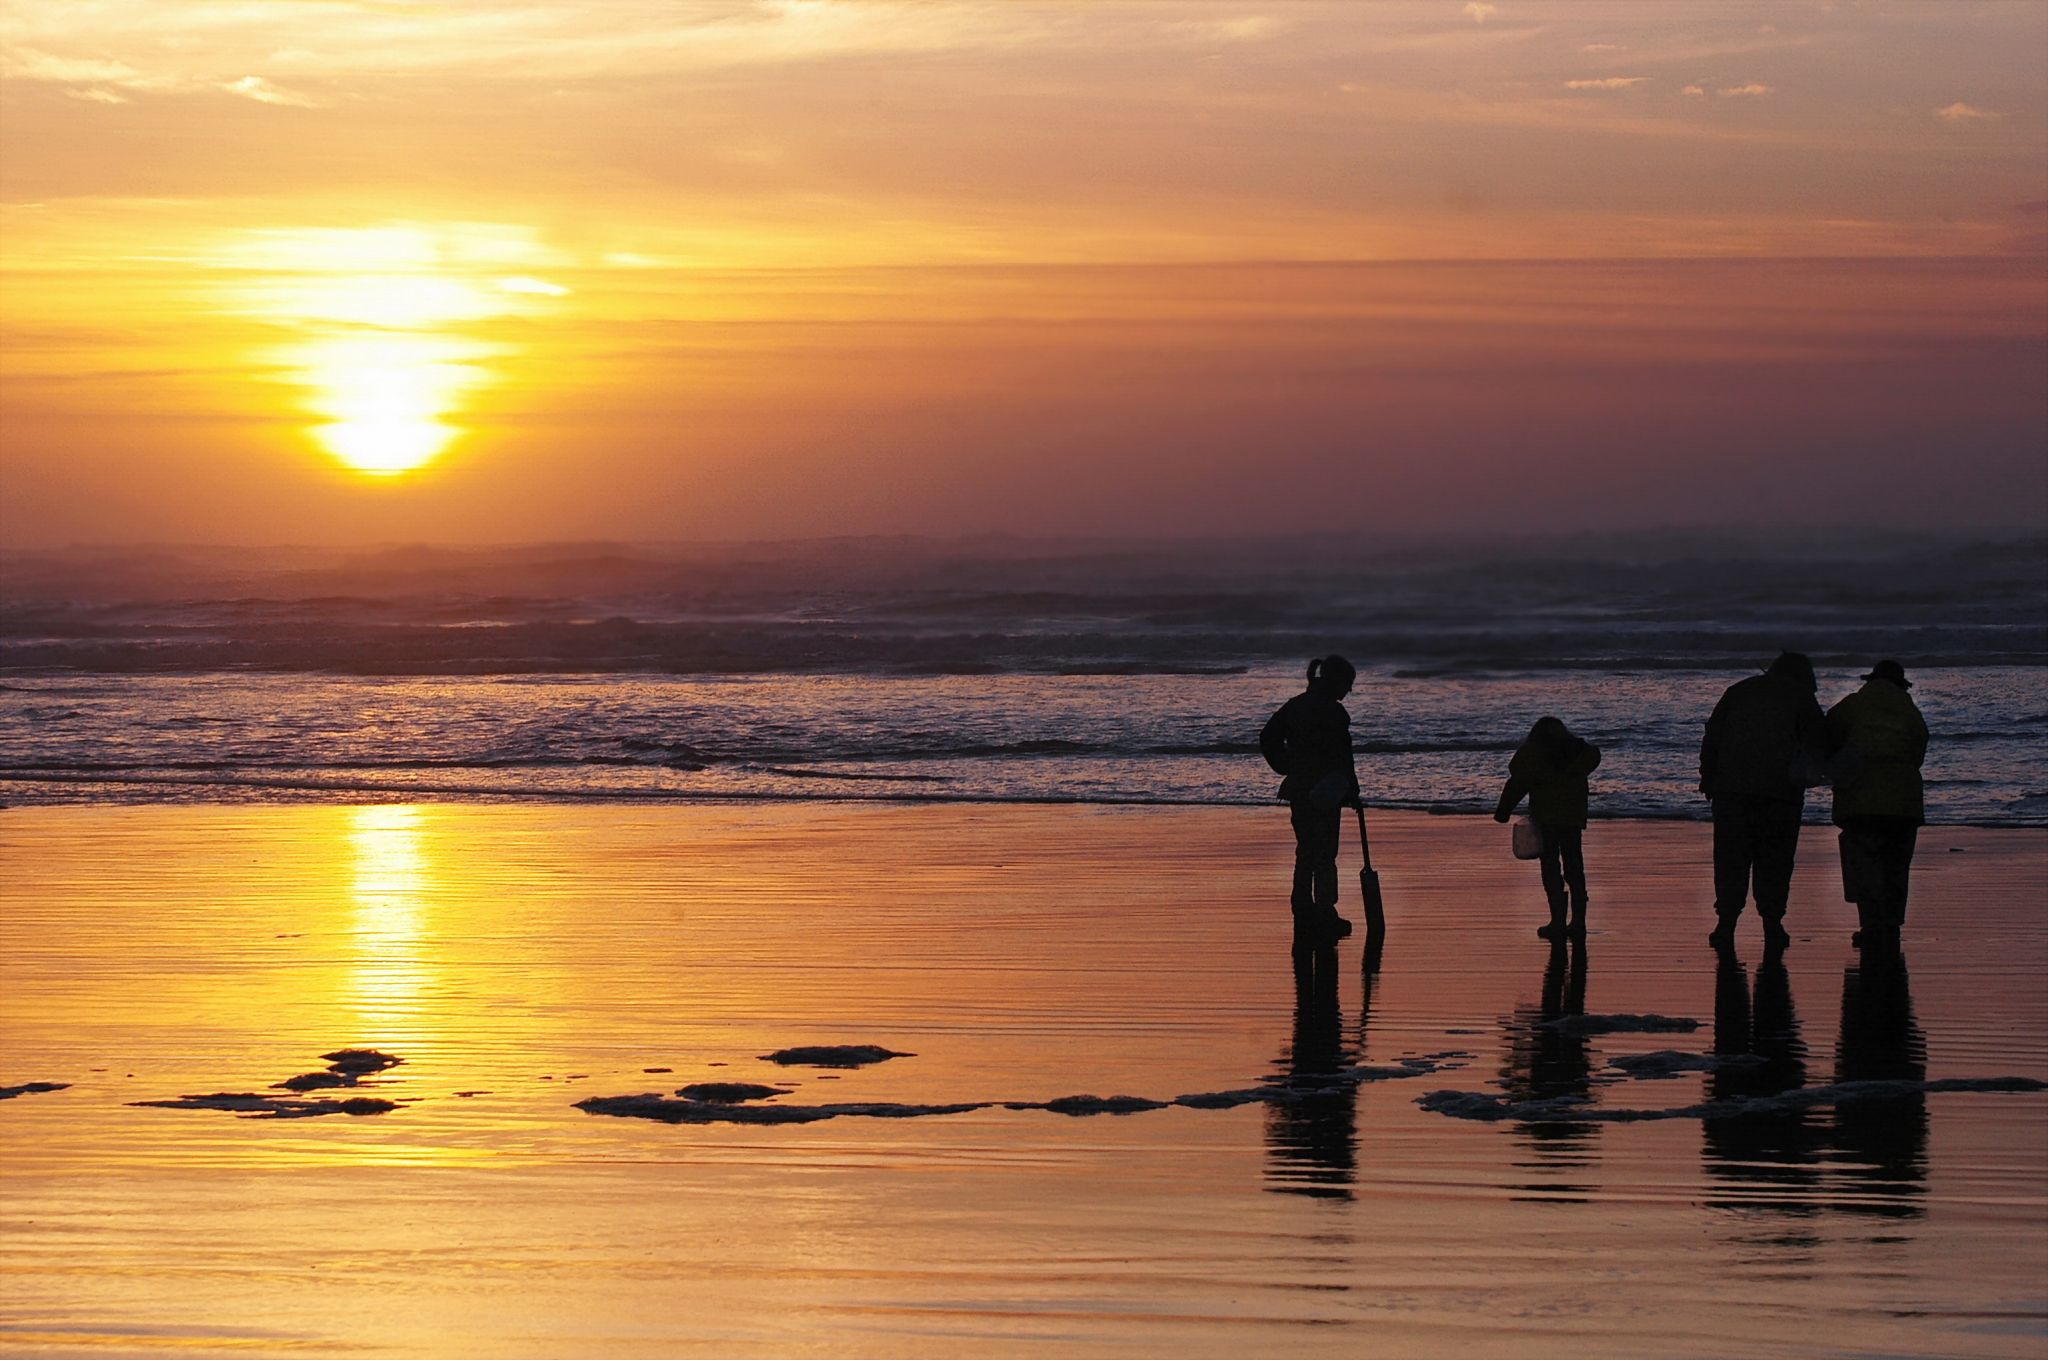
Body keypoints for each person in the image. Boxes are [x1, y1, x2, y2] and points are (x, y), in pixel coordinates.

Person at [1700, 651, 1828, 953]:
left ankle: (1726, 924)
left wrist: (1708, 777)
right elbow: (1820, 740)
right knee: (1775, 860)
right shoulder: (1800, 698)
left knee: (1731, 859)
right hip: (1780, 793)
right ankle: (1772, 923)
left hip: (1732, 791)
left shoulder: (1739, 691)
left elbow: (1713, 736)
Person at [1827, 660, 1928, 950]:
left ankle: (1870, 926)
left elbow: (1829, 738)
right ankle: (1892, 927)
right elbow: (1918, 750)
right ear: (1901, 684)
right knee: (1896, 867)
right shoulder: (1909, 710)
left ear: (1870, 681)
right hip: (1903, 803)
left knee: (1865, 867)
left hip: (1860, 801)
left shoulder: (1853, 704)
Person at [1260, 656, 1362, 944]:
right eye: (1347, 685)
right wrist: (1352, 790)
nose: (1348, 692)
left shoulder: (1295, 706)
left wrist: (1286, 765)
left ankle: (1302, 909)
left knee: (1306, 850)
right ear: (1334, 681)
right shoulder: (1334, 713)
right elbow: (1344, 758)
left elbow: (1268, 737)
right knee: (1325, 852)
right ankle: (1325, 912)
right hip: (1325, 793)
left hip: (1299, 789)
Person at [1493, 717, 1601, 940]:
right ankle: (1578, 922)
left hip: (1547, 818)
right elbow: (1593, 757)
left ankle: (1558, 922)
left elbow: (1517, 782)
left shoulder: (1534, 754)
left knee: (1551, 866)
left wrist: (1503, 811)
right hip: (1572, 818)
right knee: (1574, 866)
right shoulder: (1578, 753)